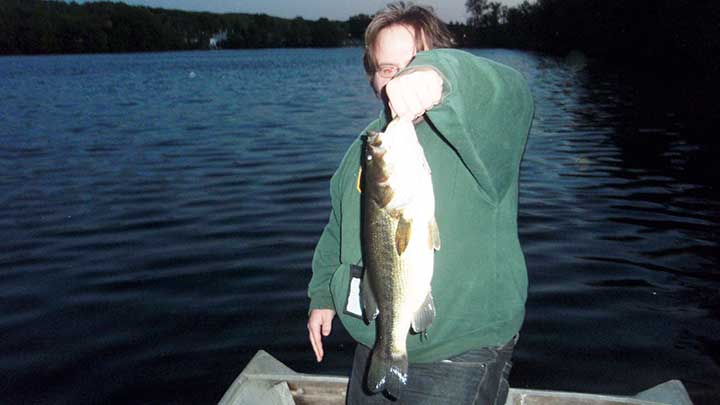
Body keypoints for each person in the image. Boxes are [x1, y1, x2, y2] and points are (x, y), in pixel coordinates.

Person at [307, 2, 534, 404]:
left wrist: (438, 77)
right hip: (374, 338)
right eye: (387, 68)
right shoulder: (370, 148)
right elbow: (337, 229)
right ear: (374, 79)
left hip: (460, 352)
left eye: (414, 61)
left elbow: (512, 94)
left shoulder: (483, 134)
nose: (400, 77)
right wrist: (323, 296)